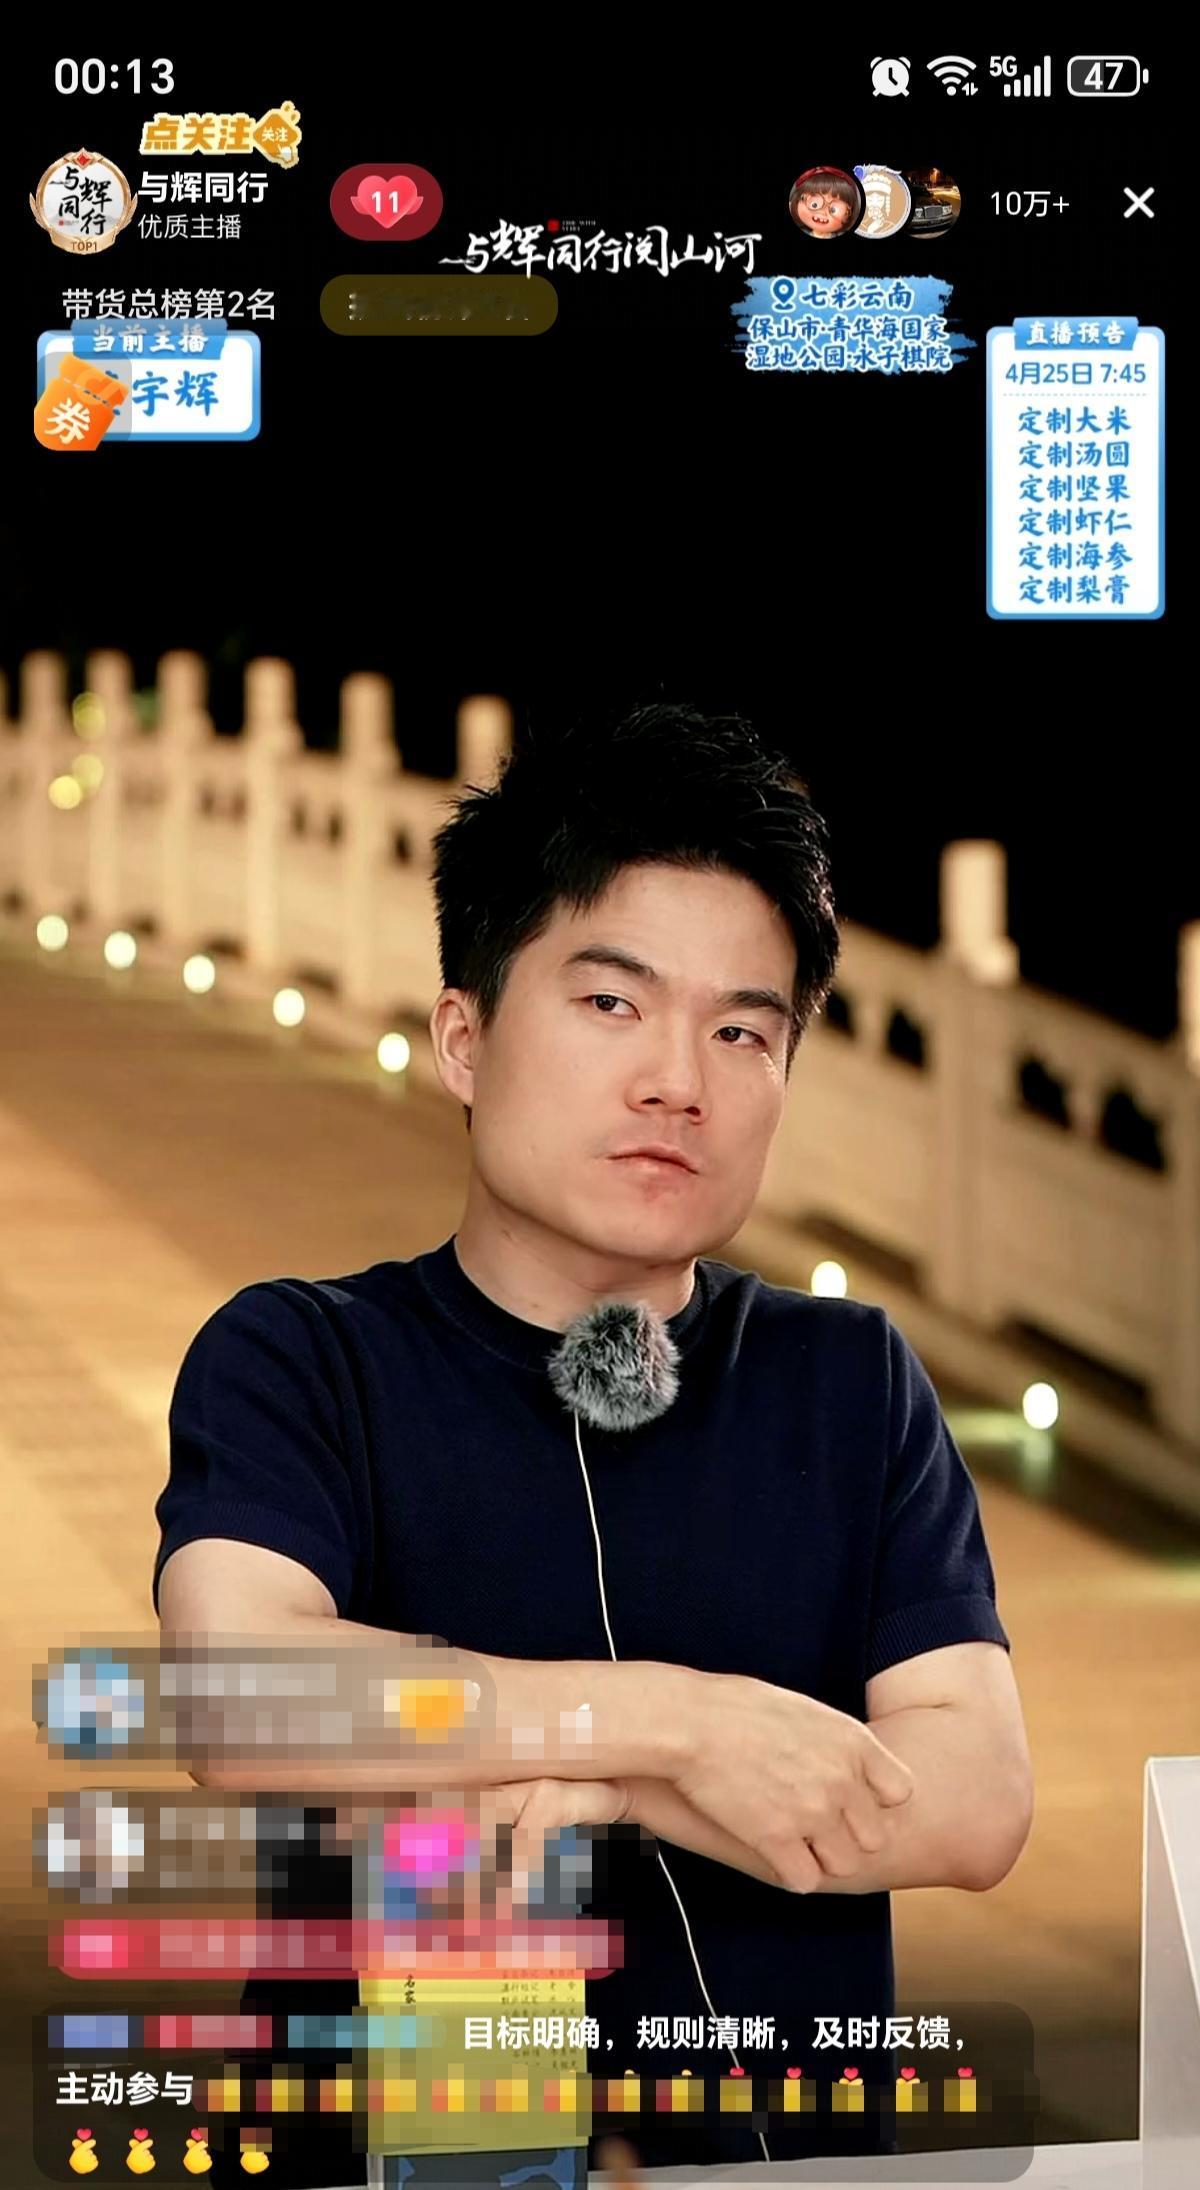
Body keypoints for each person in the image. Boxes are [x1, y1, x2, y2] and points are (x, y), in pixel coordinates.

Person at [153, 703, 1033, 2182]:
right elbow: (237, 1693)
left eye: (742, 1029)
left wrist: (601, 1781)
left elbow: (977, 1797)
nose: (679, 1079)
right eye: (614, 1003)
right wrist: (688, 1727)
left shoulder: (849, 1380)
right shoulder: (306, 1357)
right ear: (465, 1038)